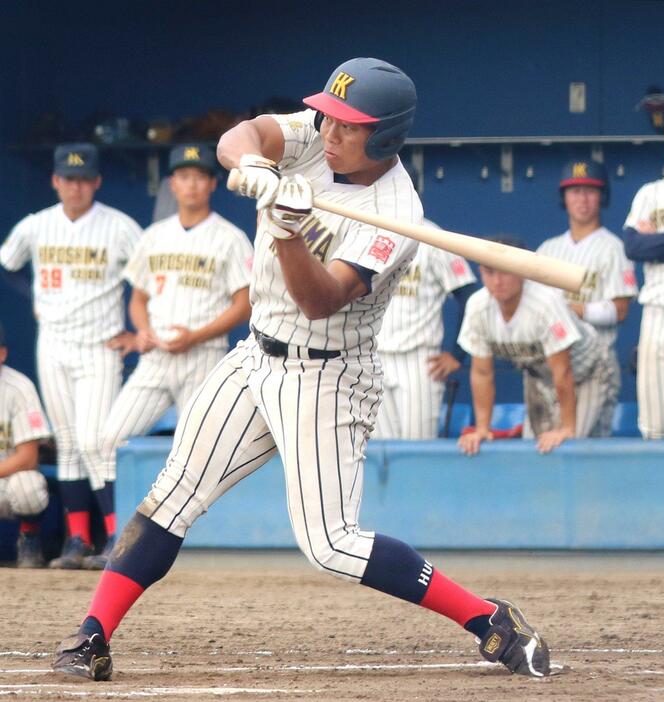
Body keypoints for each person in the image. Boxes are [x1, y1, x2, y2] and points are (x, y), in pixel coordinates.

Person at [52, 58, 552, 682]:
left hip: (328, 376)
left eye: (350, 127)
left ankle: (488, 618)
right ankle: (92, 634)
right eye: (329, 119)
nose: (330, 133)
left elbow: (319, 300)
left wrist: (287, 230)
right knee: (172, 494)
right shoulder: (320, 133)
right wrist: (257, 167)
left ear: (387, 137)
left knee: (331, 544)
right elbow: (244, 135)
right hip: (255, 354)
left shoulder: (398, 214)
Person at [84, 144, 253, 569]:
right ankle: (113, 540)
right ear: (172, 183)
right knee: (106, 440)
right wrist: (142, 329)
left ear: (212, 184)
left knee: (192, 456)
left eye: (199, 175)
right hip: (157, 356)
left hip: (204, 355)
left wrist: (195, 335)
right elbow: (137, 297)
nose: (191, 183)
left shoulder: (230, 237)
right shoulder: (153, 235)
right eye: (183, 175)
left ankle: (176, 547)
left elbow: (244, 303)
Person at [0, 143, 142, 569]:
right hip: (54, 344)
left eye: (83, 179)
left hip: (100, 343)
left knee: (98, 439)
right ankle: (77, 540)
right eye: (67, 178)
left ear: (96, 182)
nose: (75, 186)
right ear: (55, 181)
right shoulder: (35, 226)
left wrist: (138, 331)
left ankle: (118, 537)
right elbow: (8, 262)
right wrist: (37, 299)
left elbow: (152, 276)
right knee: (66, 443)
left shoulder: (119, 226)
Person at [458, 238, 616, 455]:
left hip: (591, 371)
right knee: (536, 448)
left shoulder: (545, 303)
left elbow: (564, 372)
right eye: (489, 272)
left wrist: (567, 429)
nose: (497, 281)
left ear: (522, 271)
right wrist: (483, 428)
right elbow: (482, 373)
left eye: (505, 271)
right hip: (540, 375)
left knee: (573, 444)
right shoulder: (477, 306)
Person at [536, 159, 637, 436]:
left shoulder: (613, 247)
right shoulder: (548, 249)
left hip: (596, 362)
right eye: (575, 190)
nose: (582, 198)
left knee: (581, 444)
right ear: (564, 197)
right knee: (540, 446)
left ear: (602, 196)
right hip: (551, 366)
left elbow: (620, 311)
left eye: (590, 191)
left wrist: (567, 309)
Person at [376, 167, 477, 439]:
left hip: (419, 360)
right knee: (376, 453)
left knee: (416, 448)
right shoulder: (365, 234)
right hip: (373, 358)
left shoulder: (433, 237)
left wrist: (457, 354)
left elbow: (469, 294)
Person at [623, 95, 664, 438]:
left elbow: (647, 247)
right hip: (658, 311)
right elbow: (633, 247)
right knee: (656, 425)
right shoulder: (651, 193)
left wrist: (658, 244)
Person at [0, 323, 51, 567]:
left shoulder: (19, 387)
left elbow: (28, 458)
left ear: (2, 354)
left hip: (8, 480)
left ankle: (29, 537)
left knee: (29, 487)